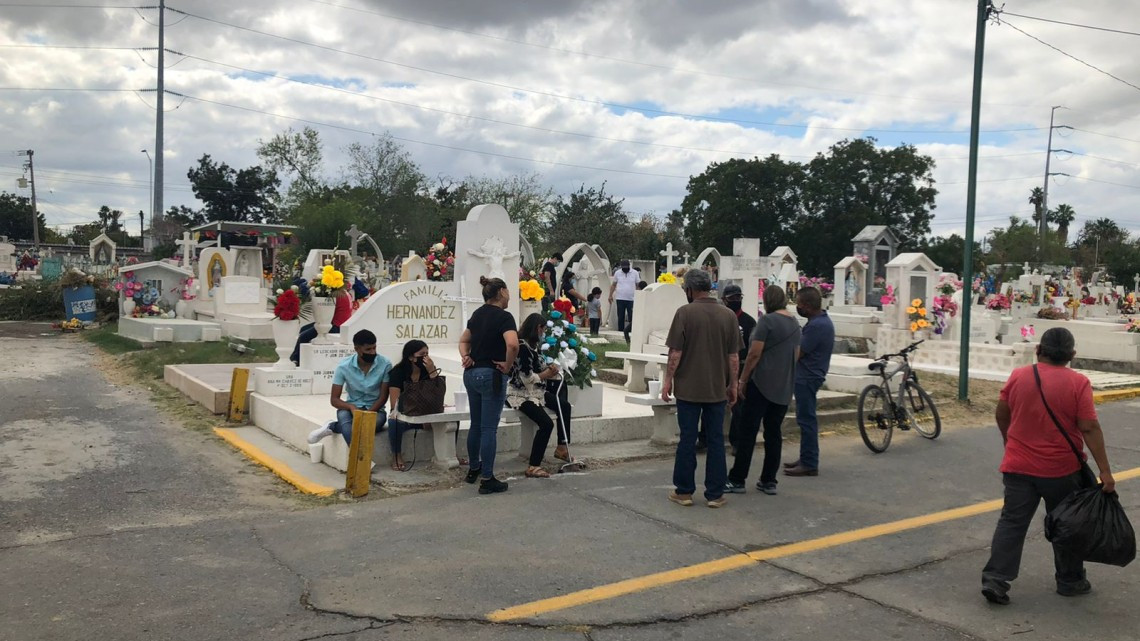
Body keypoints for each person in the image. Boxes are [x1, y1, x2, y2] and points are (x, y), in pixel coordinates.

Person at [980, 328, 1115, 606]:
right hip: (1060, 471)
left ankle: (996, 579)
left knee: (1012, 522)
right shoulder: (1078, 383)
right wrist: (1105, 471)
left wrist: (1010, 442)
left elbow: (1002, 411)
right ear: (1072, 355)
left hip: (1018, 467)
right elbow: (1088, 427)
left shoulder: (1019, 375)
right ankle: (1070, 581)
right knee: (1067, 524)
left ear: (1039, 349)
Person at [661, 269, 742, 508]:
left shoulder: (684, 313)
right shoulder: (728, 316)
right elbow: (734, 356)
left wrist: (668, 381)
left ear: (690, 289)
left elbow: (675, 352)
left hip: (688, 388)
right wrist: (733, 384)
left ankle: (684, 491)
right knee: (716, 440)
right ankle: (715, 493)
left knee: (687, 438)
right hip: (716, 388)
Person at [726, 286, 799, 495]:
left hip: (761, 383)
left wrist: (742, 380)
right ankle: (769, 480)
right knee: (773, 433)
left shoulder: (767, 321)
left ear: (767, 300)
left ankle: (737, 479)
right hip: (783, 386)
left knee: (748, 432)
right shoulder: (794, 323)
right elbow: (797, 354)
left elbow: (754, 354)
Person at [458, 276, 519, 495]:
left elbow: (464, 340)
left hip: (472, 373)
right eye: (508, 290)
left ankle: (474, 468)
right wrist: (508, 365)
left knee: (476, 424)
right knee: (488, 428)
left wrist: (466, 357)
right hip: (491, 375)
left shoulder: (477, 315)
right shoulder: (504, 317)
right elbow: (512, 344)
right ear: (501, 292)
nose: (510, 295)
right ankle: (487, 478)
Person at [508, 313, 575, 478]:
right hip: (520, 394)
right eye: (543, 330)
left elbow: (540, 367)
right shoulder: (523, 348)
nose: (544, 333)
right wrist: (547, 373)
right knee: (546, 424)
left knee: (564, 406)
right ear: (538, 328)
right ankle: (533, 465)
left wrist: (551, 369)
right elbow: (528, 379)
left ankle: (562, 447)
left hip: (537, 392)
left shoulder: (533, 346)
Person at [306, 329, 392, 449]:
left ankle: (333, 427)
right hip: (349, 407)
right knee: (347, 425)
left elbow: (383, 397)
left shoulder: (385, 364)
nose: (372, 352)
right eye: (368, 349)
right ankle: (359, 460)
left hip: (375, 410)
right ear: (357, 349)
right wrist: (351, 407)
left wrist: (367, 414)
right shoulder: (343, 366)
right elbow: (334, 399)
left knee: (367, 427)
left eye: (374, 348)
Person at [785, 286, 834, 477]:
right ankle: (805, 457)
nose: (798, 308)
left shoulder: (817, 326)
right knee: (804, 418)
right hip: (809, 375)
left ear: (807, 306)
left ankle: (809, 462)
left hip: (808, 376)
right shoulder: (819, 321)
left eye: (799, 304)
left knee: (806, 420)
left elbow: (799, 352)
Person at [382, 340, 441, 471]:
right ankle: (396, 456)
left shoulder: (427, 371)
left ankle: (450, 455)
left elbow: (438, 395)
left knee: (451, 420)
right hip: (406, 414)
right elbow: (394, 404)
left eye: (427, 353)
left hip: (425, 413)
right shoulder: (397, 373)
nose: (426, 357)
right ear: (411, 357)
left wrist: (432, 372)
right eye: (422, 354)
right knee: (394, 422)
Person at [716, 284, 758, 454]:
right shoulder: (718, 319)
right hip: (719, 366)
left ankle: (737, 442)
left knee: (738, 406)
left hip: (740, 366)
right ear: (724, 300)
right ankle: (704, 438)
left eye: (738, 298)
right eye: (732, 298)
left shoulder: (748, 322)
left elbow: (752, 346)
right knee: (711, 403)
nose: (735, 301)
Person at [291, 284, 353, 365]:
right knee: (303, 329)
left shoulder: (337, 295)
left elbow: (325, 311)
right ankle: (300, 357)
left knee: (303, 336)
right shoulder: (344, 293)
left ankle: (295, 360)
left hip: (335, 326)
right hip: (334, 323)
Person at [609, 259, 640, 343]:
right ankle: (620, 332)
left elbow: (638, 285)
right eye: (623, 267)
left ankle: (631, 332)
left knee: (631, 316)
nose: (625, 268)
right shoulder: (618, 273)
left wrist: (638, 296)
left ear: (629, 266)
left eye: (626, 267)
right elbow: (613, 285)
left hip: (631, 298)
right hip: (620, 297)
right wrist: (610, 295)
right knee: (620, 316)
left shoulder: (635, 273)